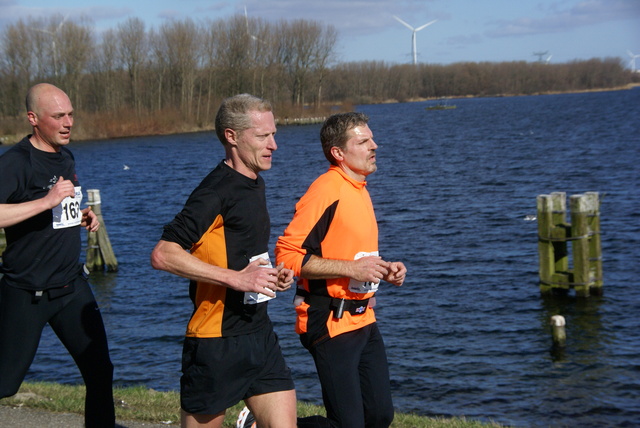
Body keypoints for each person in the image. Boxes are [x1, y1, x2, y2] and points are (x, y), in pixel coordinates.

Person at [150, 94, 298, 428]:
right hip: (215, 342)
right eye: (263, 136)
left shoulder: (254, 182)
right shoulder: (214, 191)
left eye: (274, 134)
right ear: (232, 136)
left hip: (258, 333)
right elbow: (163, 254)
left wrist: (272, 276)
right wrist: (236, 279)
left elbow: (241, 256)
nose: (274, 144)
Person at [275, 112, 407, 428]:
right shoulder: (326, 189)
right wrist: (352, 268)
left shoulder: (359, 188)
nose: (375, 146)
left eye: (372, 139)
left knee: (379, 416)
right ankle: (265, 424)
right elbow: (286, 256)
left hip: (363, 318)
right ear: (339, 152)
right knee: (346, 425)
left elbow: (352, 254)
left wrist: (384, 269)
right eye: (363, 142)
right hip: (328, 319)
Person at [0, 83, 115, 427]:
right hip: (27, 292)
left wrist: (80, 215)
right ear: (34, 119)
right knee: (5, 384)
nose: (68, 123)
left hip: (70, 288)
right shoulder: (15, 163)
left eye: (71, 114)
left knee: (100, 372)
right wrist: (47, 201)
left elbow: (58, 210)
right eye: (59, 116)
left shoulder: (65, 155)